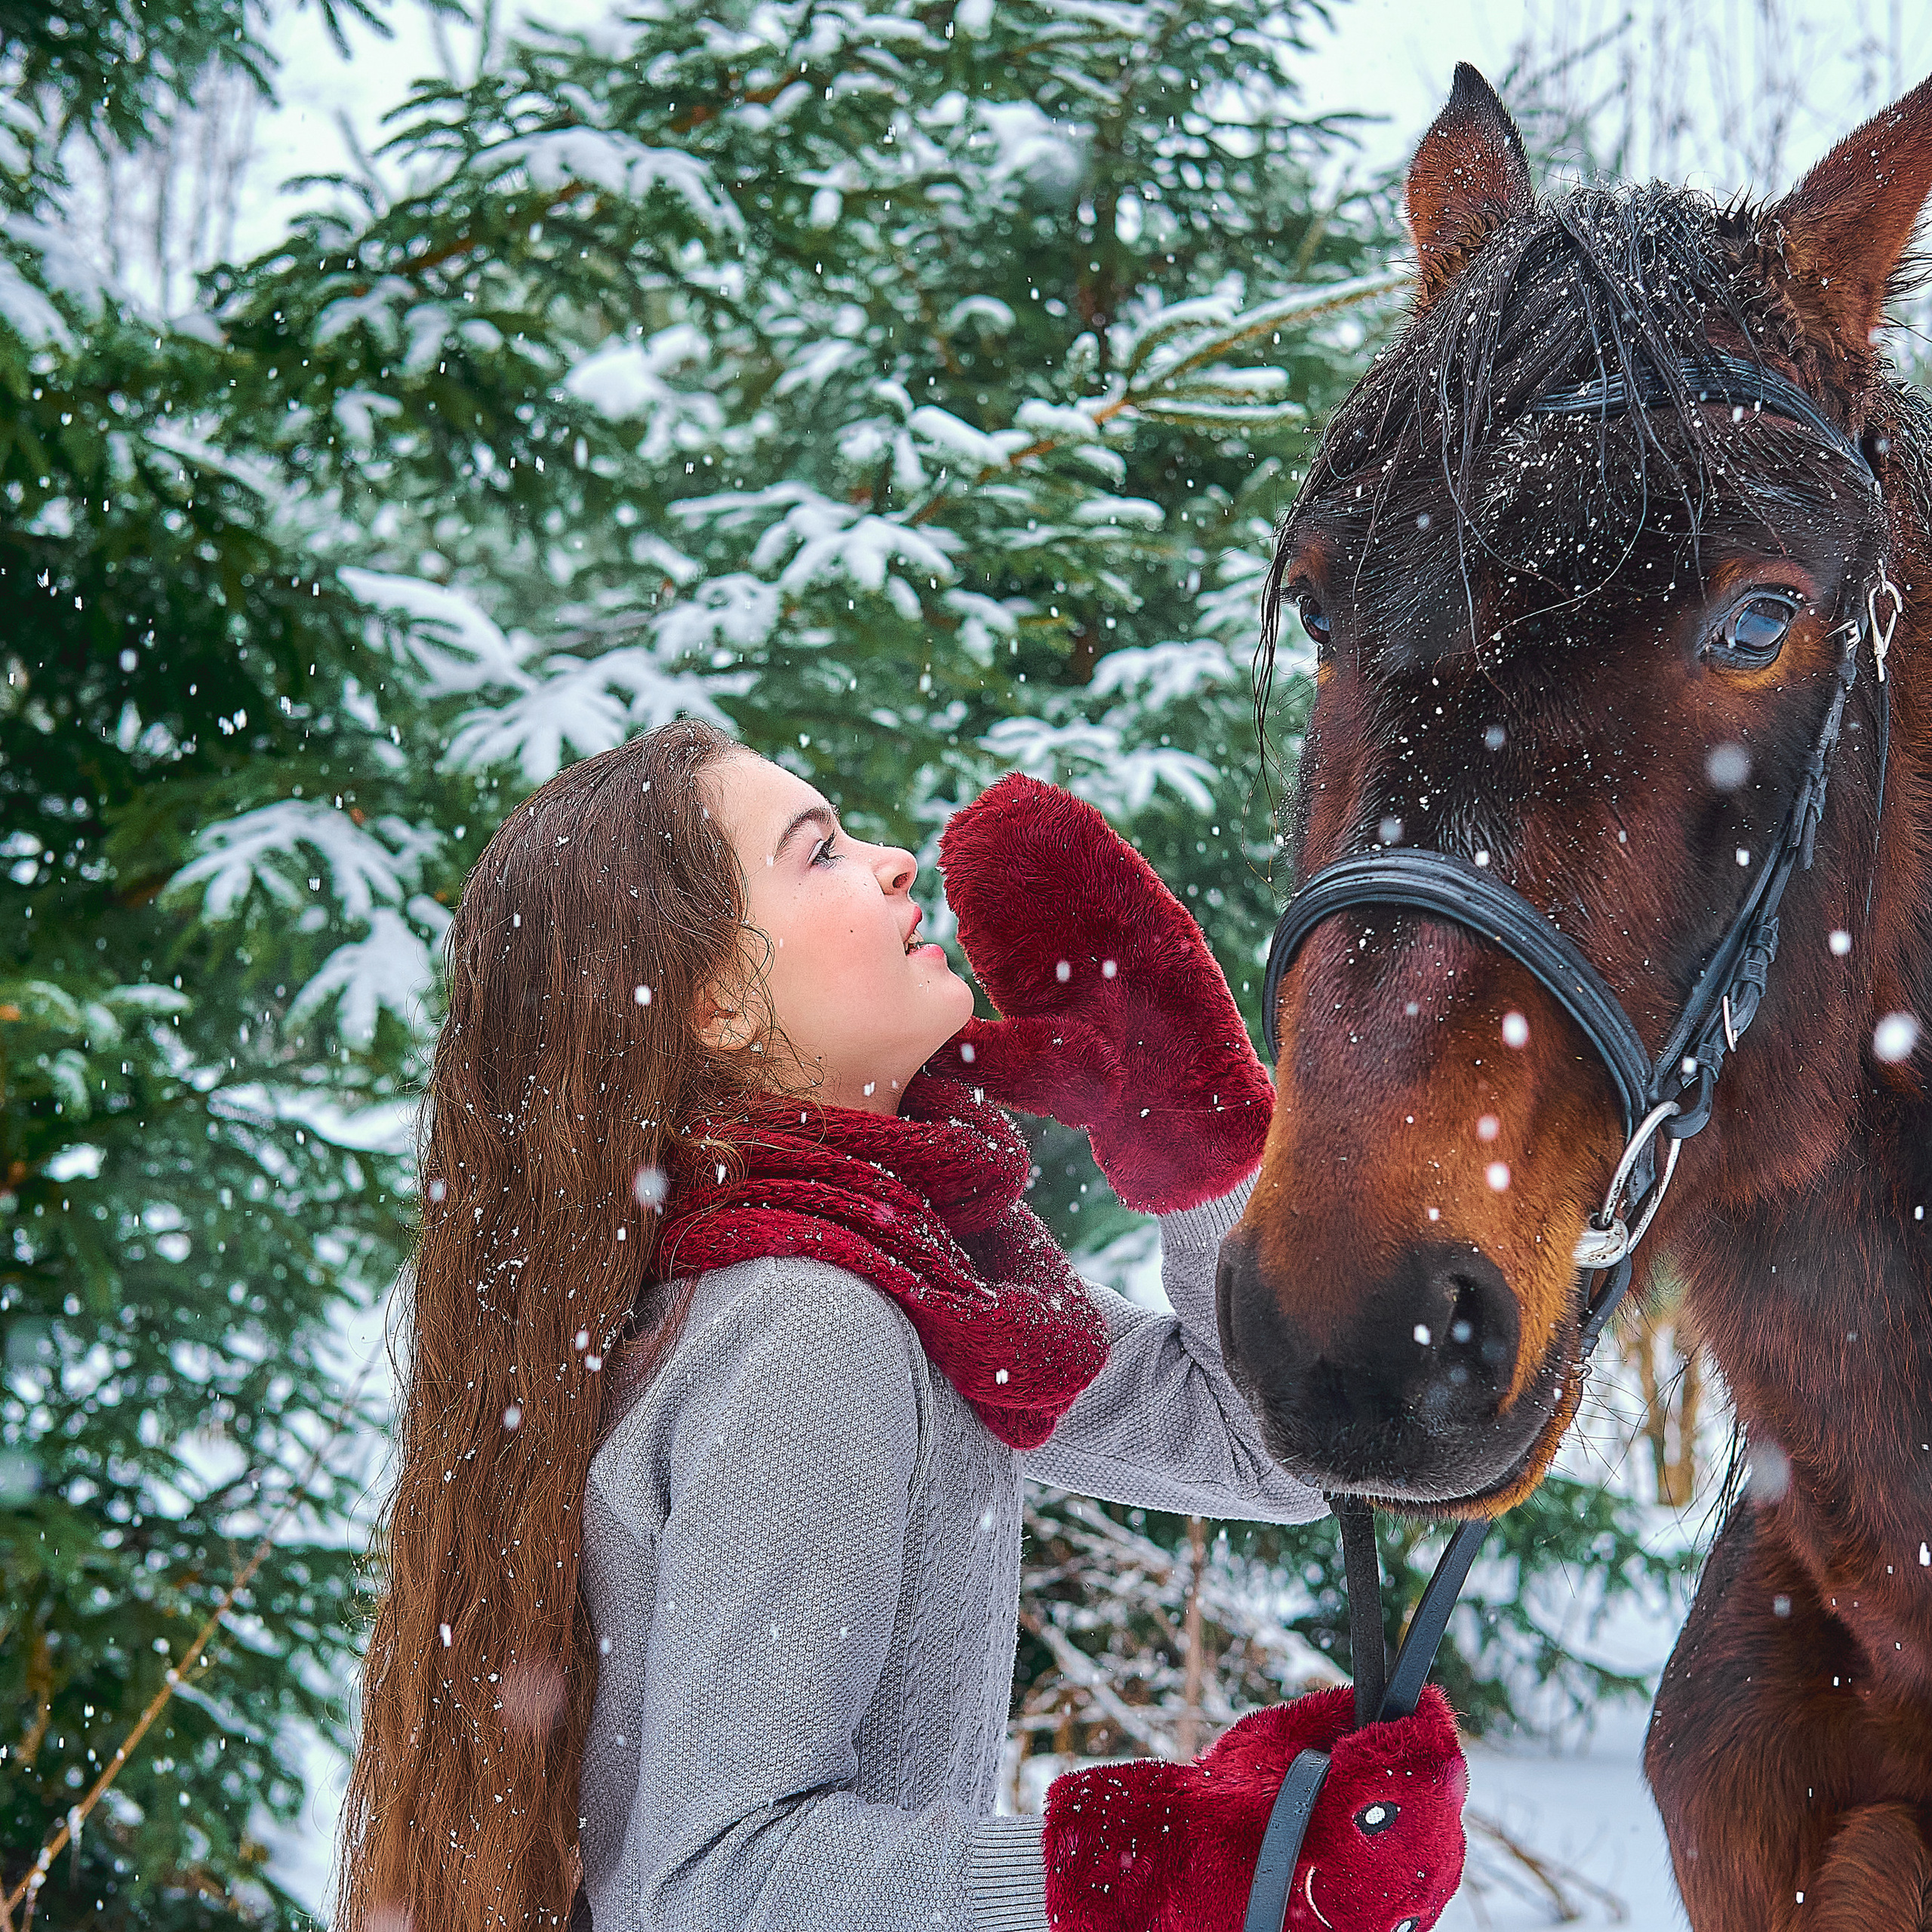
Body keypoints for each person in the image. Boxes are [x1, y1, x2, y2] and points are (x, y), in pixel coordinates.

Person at [334, 718, 1467, 1932]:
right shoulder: (808, 1325)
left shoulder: (912, 1283)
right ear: (715, 1005)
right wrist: (1168, 1866)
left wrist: (1192, 1126)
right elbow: (720, 1885)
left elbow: (1268, 1449)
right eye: (817, 851)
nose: (893, 862)